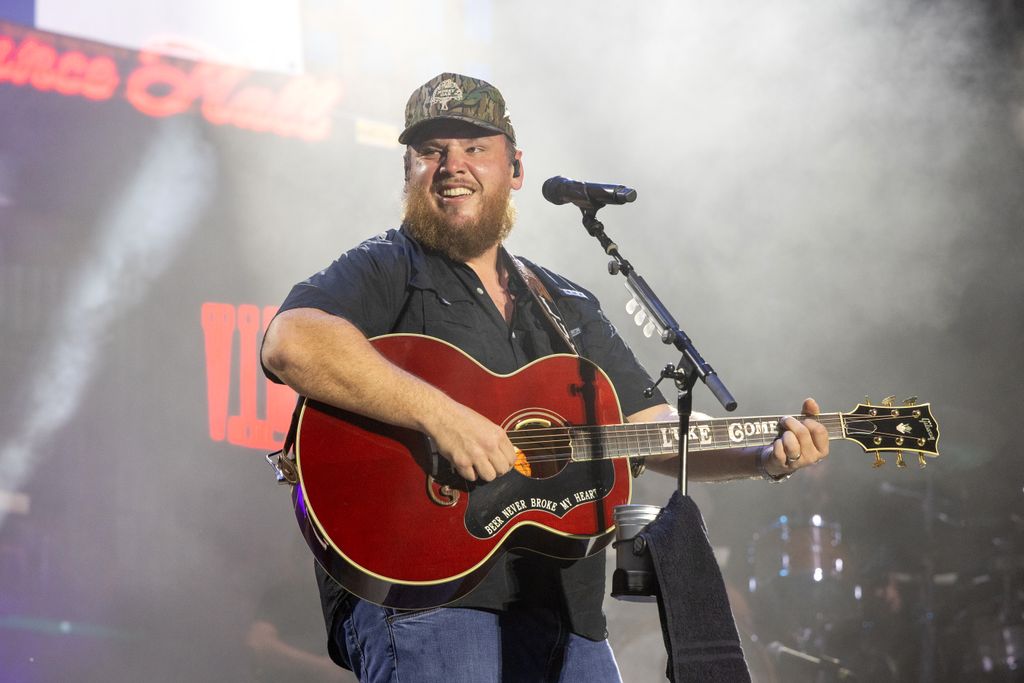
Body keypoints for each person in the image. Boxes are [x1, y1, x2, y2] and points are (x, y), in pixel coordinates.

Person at [260, 72, 829, 683]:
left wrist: (762, 455)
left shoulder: (564, 303)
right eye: (431, 151)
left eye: (475, 148)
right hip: (427, 601)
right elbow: (290, 342)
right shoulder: (386, 266)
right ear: (408, 171)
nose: (453, 166)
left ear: (516, 168)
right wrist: (444, 418)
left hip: (570, 617)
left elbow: (652, 428)